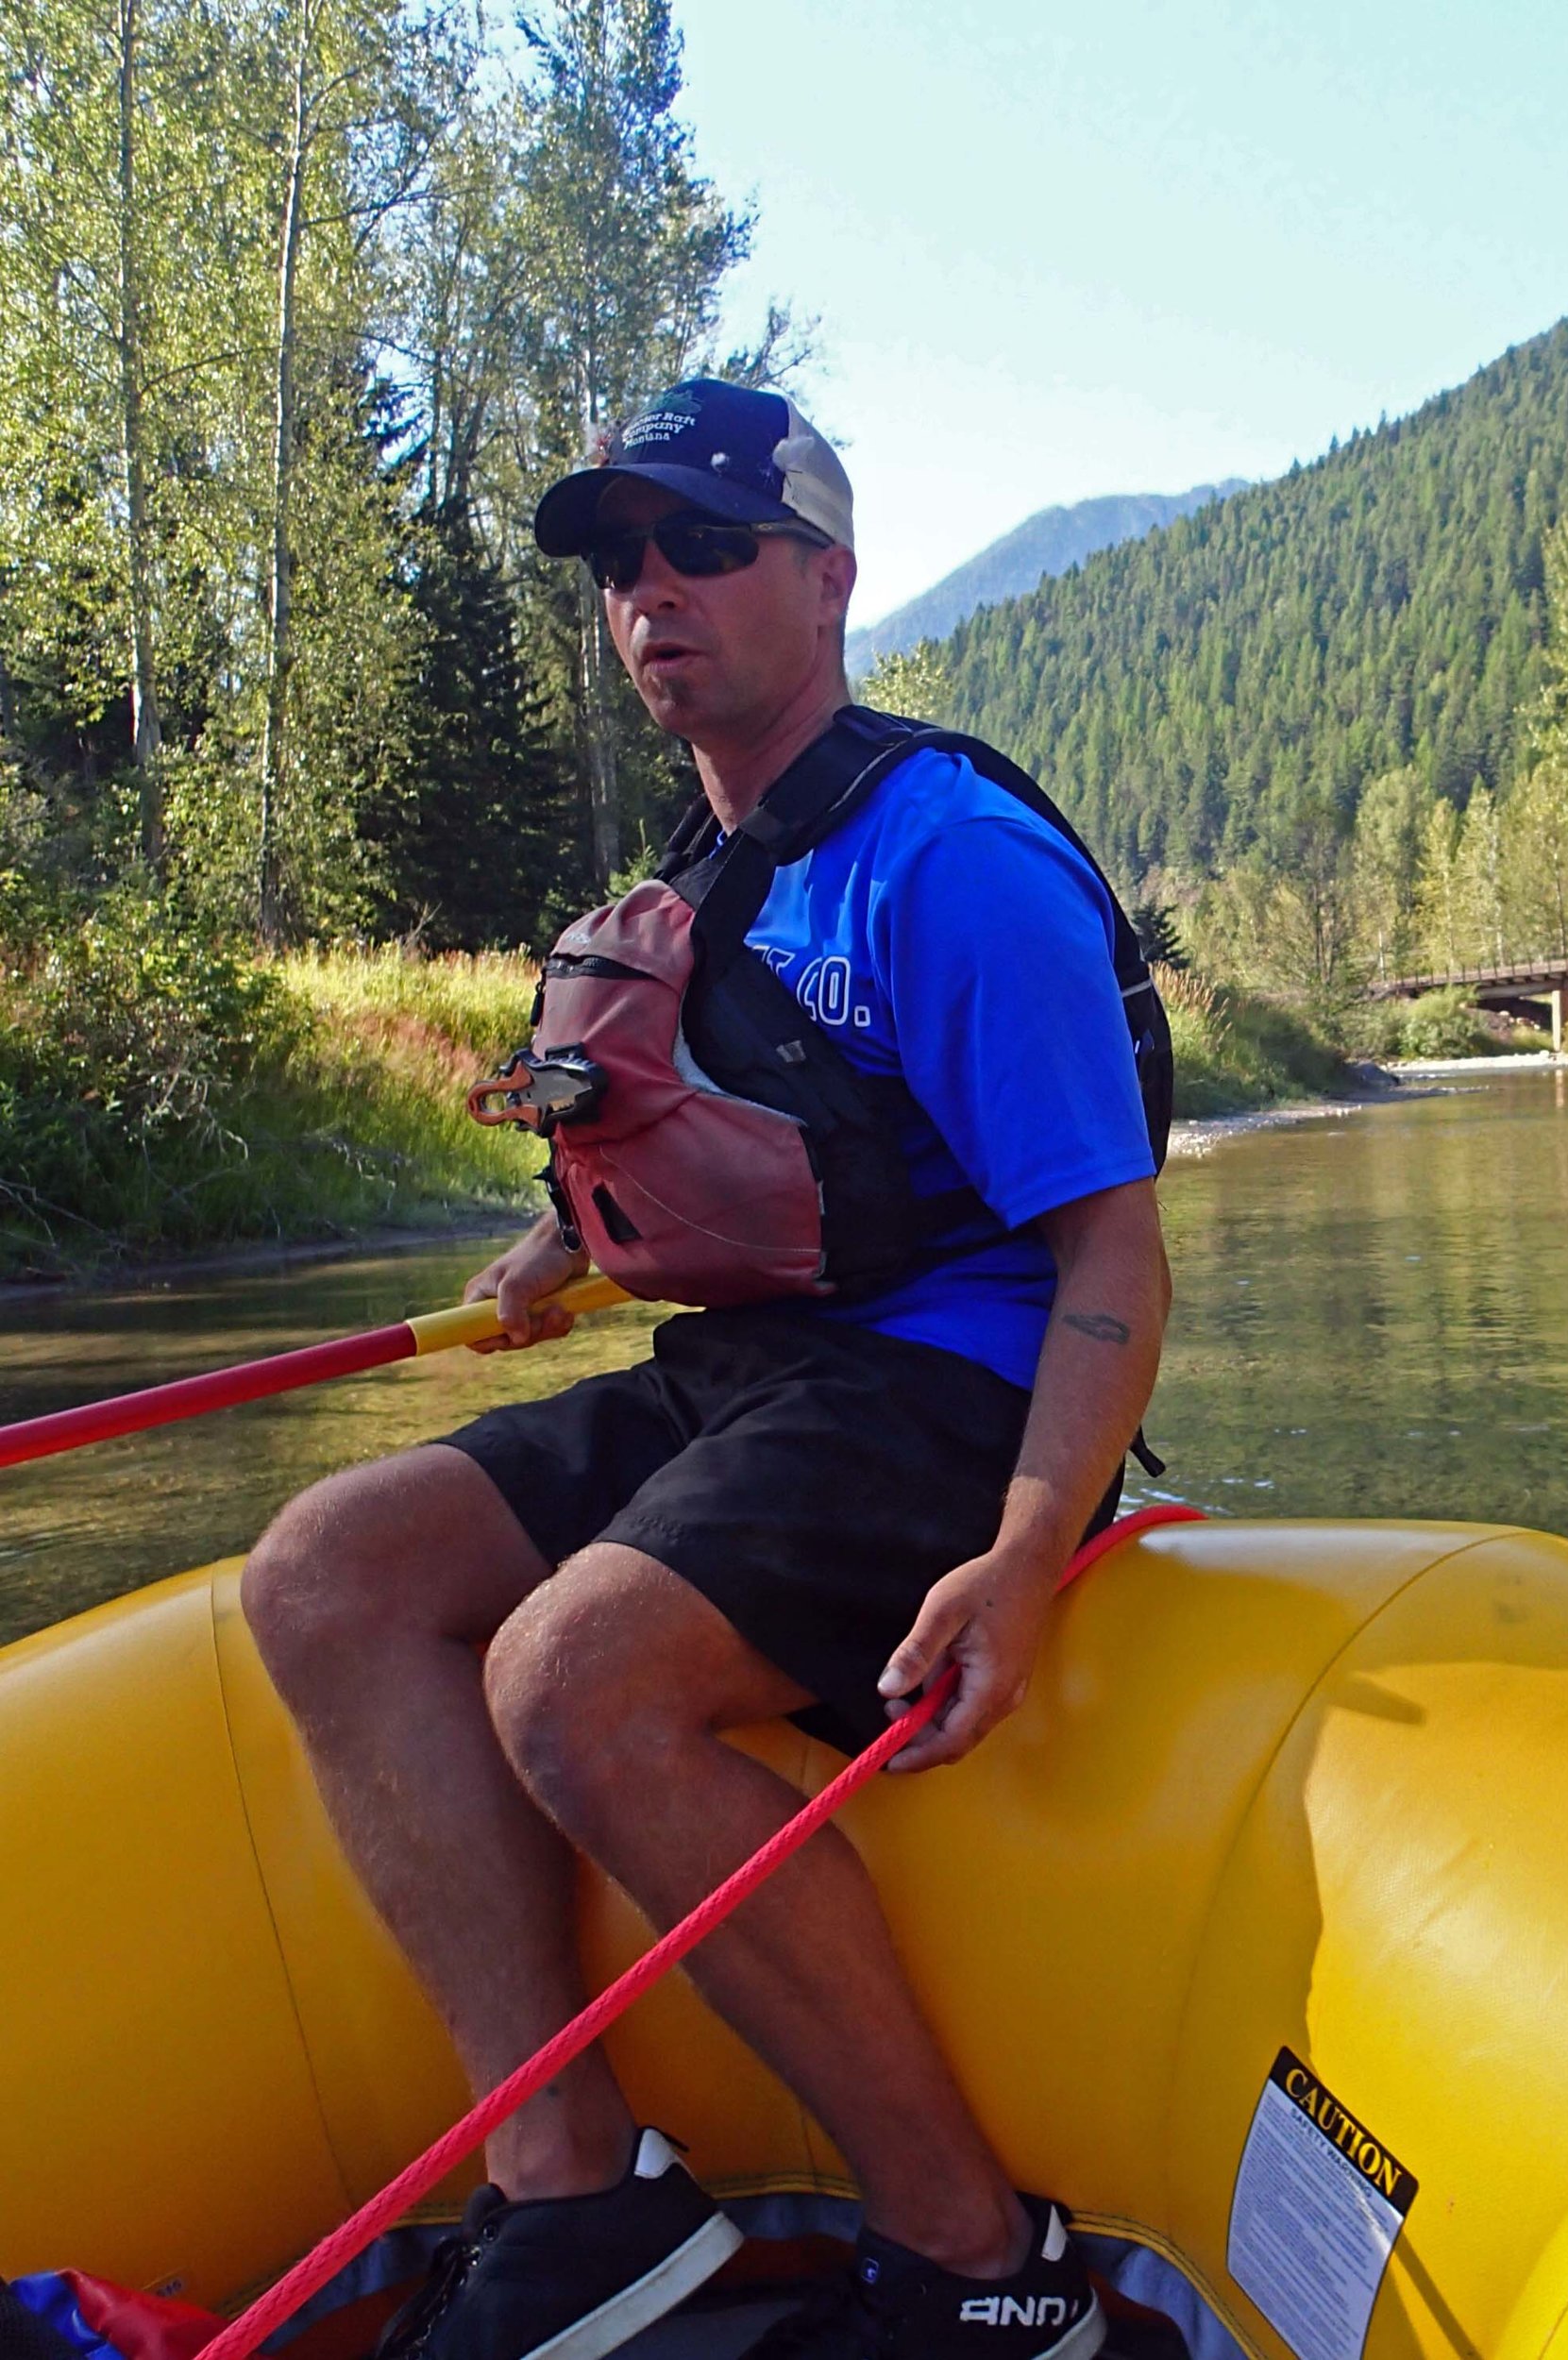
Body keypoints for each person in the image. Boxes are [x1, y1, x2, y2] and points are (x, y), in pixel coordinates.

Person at [239, 380, 1165, 2360]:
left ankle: (981, 2257)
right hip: (755, 1366)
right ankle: (574, 2188)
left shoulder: (954, 861)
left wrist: (1024, 1547)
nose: (651, 592)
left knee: (571, 1680)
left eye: (703, 546)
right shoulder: (708, 858)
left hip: (953, 1383)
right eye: (616, 563)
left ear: (825, 576)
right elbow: (745, 1133)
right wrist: (577, 1238)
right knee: (327, 1568)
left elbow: (1109, 1242)